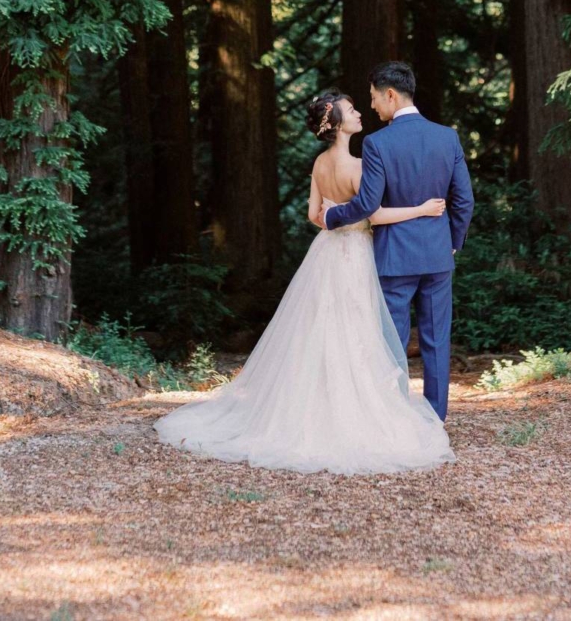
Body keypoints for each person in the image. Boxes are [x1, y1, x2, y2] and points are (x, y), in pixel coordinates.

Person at [154, 88, 455, 475]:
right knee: (356, 333)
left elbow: (315, 214)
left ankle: (314, 408)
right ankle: (354, 413)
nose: (360, 112)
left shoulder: (318, 164)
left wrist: (335, 217)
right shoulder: (360, 165)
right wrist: (421, 208)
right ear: (338, 123)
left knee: (320, 331)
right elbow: (373, 215)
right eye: (352, 109)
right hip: (356, 254)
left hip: (326, 252)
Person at [321, 61, 474, 421]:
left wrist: (332, 216)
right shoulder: (447, 137)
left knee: (393, 342)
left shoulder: (377, 143)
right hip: (437, 256)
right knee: (437, 341)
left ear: (391, 94)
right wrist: (452, 242)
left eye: (374, 98)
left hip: (394, 258)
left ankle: (396, 420)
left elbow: (367, 204)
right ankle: (436, 420)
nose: (372, 106)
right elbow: (464, 200)